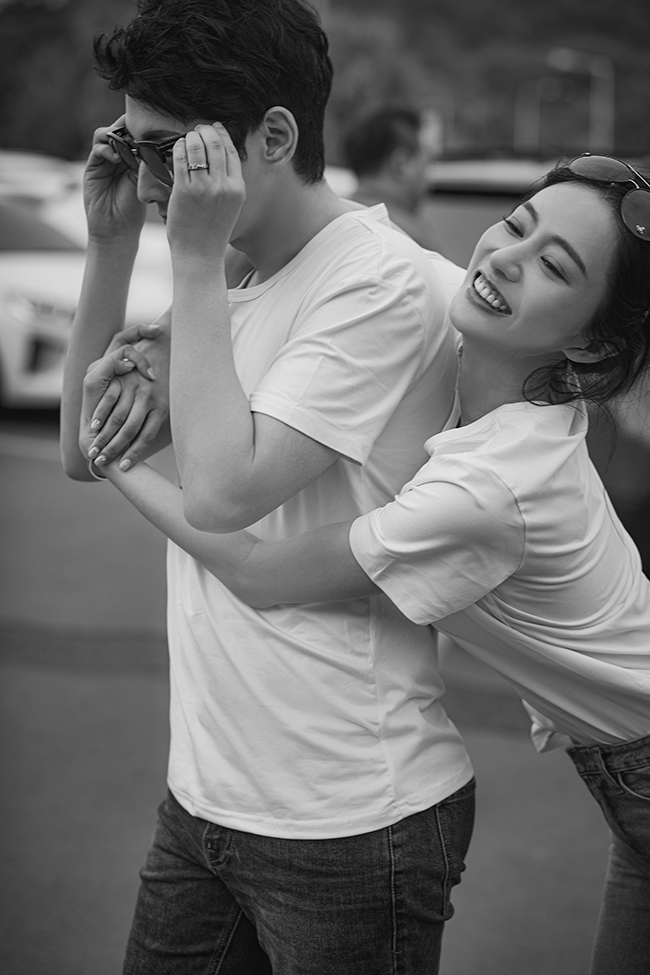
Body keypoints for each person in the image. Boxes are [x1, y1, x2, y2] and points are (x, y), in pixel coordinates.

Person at [79, 156, 650, 975]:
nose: (507, 257)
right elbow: (354, 249)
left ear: (591, 340)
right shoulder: (453, 321)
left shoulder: (495, 485)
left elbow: (256, 569)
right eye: (517, 225)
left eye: (554, 266)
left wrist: (116, 458)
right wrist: (171, 258)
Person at [60, 0, 476, 972]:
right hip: (204, 795)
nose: (151, 183)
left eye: (167, 152)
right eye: (135, 149)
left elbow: (220, 494)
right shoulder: (237, 271)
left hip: (348, 817)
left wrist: (193, 258)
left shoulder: (378, 283)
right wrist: (112, 244)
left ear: (274, 136)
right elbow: (86, 446)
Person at [343, 105, 440, 250]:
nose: (428, 178)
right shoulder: (408, 237)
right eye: (426, 163)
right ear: (402, 165)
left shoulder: (335, 221)